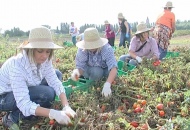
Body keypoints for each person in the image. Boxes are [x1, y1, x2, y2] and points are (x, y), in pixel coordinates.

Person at [0, 26, 76, 129]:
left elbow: (54, 81)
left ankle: (37, 108)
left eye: (48, 51)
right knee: (47, 94)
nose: (44, 56)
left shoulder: (45, 59)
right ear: (31, 50)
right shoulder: (17, 66)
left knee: (57, 74)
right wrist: (53, 113)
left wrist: (66, 106)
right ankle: (12, 117)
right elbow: (24, 103)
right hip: (5, 97)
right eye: (40, 51)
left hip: (25, 86)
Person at [71, 28, 117, 97]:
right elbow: (81, 66)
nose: (91, 47)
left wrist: (108, 84)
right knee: (97, 71)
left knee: (112, 74)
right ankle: (91, 84)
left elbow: (113, 67)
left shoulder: (106, 49)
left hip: (104, 69)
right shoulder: (82, 50)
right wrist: (77, 73)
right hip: (89, 70)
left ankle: (103, 82)